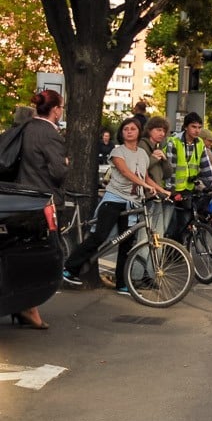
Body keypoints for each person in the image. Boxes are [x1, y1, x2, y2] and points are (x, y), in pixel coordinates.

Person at [63, 118, 165, 294]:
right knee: (100, 236)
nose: (129, 132)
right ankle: (69, 268)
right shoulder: (118, 151)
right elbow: (126, 172)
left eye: (133, 129)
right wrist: (145, 185)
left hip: (132, 202)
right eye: (126, 129)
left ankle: (122, 283)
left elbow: (145, 176)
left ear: (139, 132)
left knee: (127, 243)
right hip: (114, 199)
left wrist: (161, 190)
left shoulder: (142, 154)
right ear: (121, 133)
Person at [13, 90, 68, 329]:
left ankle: (22, 305)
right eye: (61, 107)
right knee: (41, 255)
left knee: (21, 252)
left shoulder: (26, 127)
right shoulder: (50, 134)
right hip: (42, 200)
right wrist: (66, 164)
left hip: (20, 197)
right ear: (55, 109)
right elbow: (57, 172)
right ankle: (28, 306)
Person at [165, 112, 212, 241]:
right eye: (194, 127)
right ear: (185, 127)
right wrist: (172, 191)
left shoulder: (199, 143)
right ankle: (170, 251)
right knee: (172, 224)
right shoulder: (174, 141)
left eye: (199, 127)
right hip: (173, 189)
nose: (197, 130)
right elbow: (170, 168)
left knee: (186, 221)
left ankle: (180, 252)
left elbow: (206, 166)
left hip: (188, 187)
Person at [138, 116, 174, 235]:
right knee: (146, 232)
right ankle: (142, 254)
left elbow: (168, 174)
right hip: (147, 194)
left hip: (157, 194)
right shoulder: (142, 145)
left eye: (164, 131)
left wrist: (164, 160)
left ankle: (154, 254)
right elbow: (140, 169)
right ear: (149, 130)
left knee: (157, 232)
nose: (162, 133)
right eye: (158, 130)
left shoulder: (157, 148)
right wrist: (153, 158)